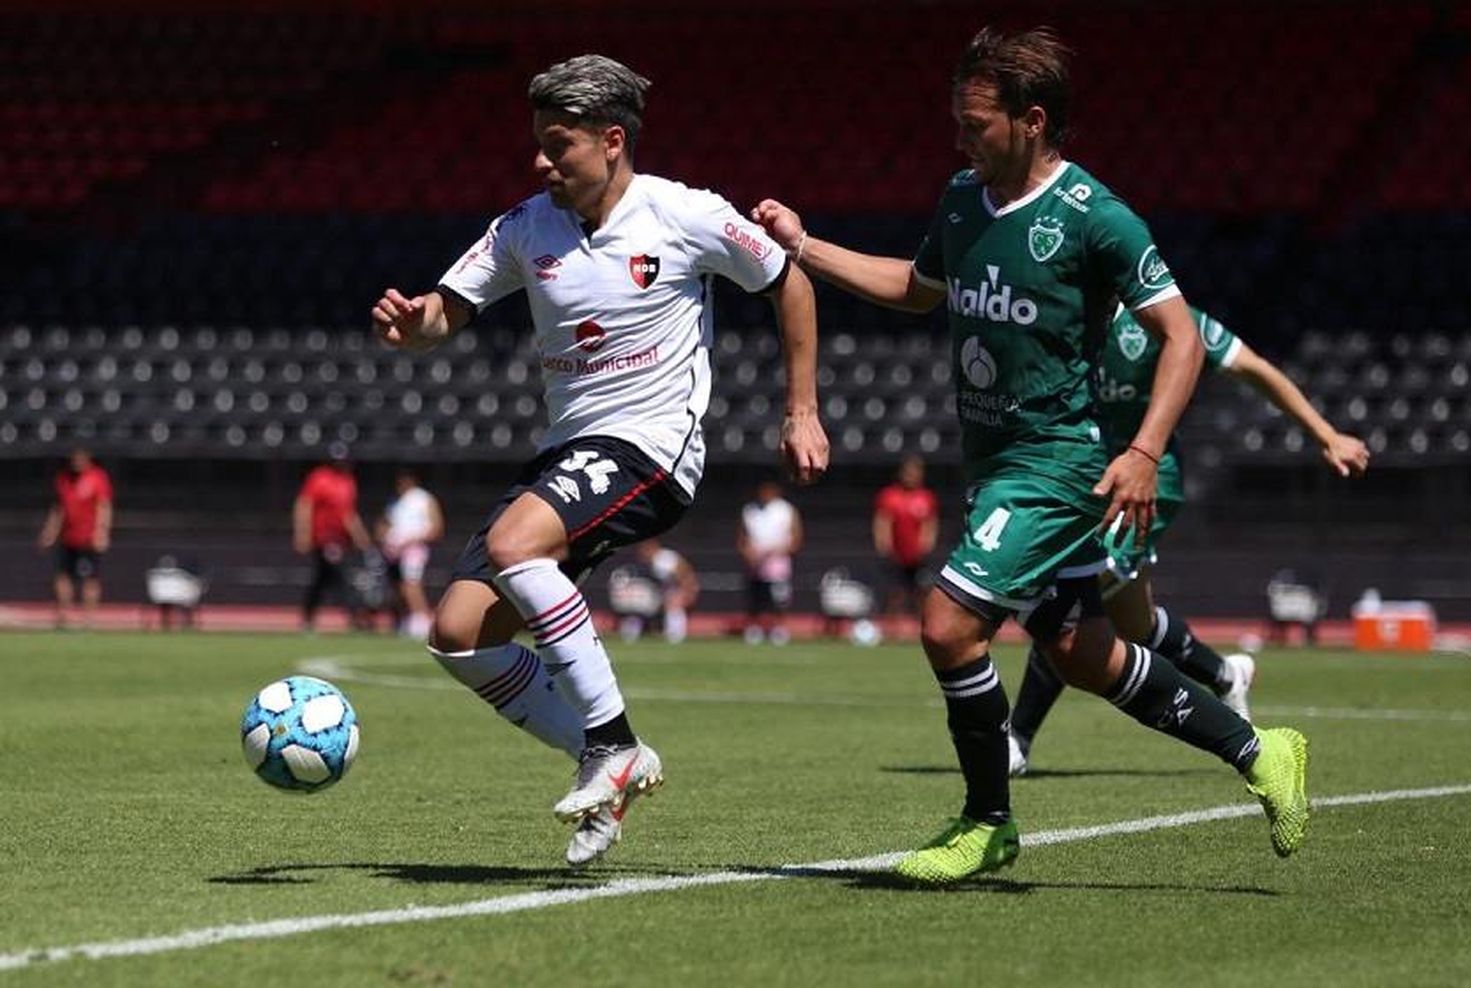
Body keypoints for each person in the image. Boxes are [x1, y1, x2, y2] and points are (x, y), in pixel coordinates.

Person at [753, 26, 1307, 883]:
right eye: (958, 122)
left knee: (946, 625)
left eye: (976, 124)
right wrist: (804, 246)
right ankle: (1258, 747)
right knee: (1083, 652)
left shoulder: (1098, 219)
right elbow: (915, 288)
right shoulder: (963, 200)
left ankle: (986, 820)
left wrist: (1144, 450)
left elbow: (1182, 340)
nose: (961, 139)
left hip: (1055, 464)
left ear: (1034, 120)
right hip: (995, 464)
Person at [370, 54, 828, 867]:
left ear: (612, 141)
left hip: (654, 447)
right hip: (570, 454)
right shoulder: (525, 227)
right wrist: (414, 326)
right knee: (456, 635)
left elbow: (787, 280)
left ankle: (611, 744)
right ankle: (612, 760)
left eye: (558, 145)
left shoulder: (683, 215)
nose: (540, 161)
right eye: (539, 144)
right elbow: (449, 311)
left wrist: (801, 410)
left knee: (515, 547)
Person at [1008, 305, 1370, 773]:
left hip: (1148, 481)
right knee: (1133, 625)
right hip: (1086, 477)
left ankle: (1016, 739)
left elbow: (1252, 366)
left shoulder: (1160, 314)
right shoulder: (1060, 311)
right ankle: (1226, 674)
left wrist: (1325, 434)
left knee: (1077, 594)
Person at [292, 445, 373, 632]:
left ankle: (308, 616)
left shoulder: (348, 482)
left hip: (340, 539)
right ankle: (355, 616)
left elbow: (349, 514)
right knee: (340, 575)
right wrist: (302, 533)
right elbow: (305, 505)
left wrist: (360, 536)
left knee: (322, 579)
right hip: (323, 538)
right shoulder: (319, 478)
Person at [36, 447, 113, 629]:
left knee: (90, 579)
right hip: (68, 538)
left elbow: (104, 506)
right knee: (63, 577)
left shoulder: (97, 477)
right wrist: (50, 533)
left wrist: (102, 532)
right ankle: (62, 618)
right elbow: (58, 509)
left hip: (88, 539)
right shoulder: (63, 478)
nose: (76, 462)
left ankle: (89, 621)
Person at [378, 468, 445, 640]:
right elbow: (384, 524)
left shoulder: (423, 499)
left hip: (414, 548)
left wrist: (411, 540)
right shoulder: (395, 502)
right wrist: (386, 537)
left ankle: (422, 621)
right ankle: (406, 619)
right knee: (398, 586)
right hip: (393, 550)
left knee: (411, 583)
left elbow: (436, 527)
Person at [872, 455, 939, 617]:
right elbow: (882, 522)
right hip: (895, 555)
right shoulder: (889, 496)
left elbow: (930, 524)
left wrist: (926, 546)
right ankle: (892, 628)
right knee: (895, 593)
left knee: (921, 593)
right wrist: (884, 546)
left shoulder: (926, 497)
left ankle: (920, 627)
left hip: (917, 557)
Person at [738, 479, 803, 645]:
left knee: (779, 598)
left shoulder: (786, 510)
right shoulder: (749, 511)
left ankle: (779, 628)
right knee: (756, 597)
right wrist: (749, 553)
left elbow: (796, 538)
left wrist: (777, 551)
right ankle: (755, 628)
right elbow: (742, 539)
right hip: (756, 563)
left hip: (778, 562)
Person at [613, 538, 699, 644]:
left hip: (676, 589)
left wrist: (688, 590)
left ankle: (675, 636)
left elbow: (684, 573)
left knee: (673, 605)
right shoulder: (646, 562)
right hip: (660, 591)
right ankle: (631, 634)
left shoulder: (664, 559)